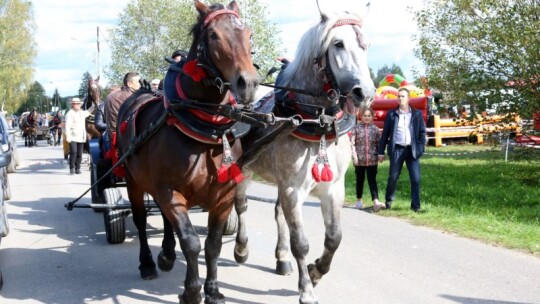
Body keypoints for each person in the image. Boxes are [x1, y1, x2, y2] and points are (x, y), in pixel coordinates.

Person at [378, 88, 426, 212]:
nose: (400, 98)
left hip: (412, 150)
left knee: (415, 178)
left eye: (403, 96)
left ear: (408, 98)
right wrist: (380, 152)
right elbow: (385, 135)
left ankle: (415, 206)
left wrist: (420, 148)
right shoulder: (392, 114)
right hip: (397, 150)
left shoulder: (417, 114)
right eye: (399, 96)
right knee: (393, 177)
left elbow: (422, 133)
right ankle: (388, 201)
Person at [350, 107, 386, 211]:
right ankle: (359, 200)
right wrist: (354, 156)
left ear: (372, 117)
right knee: (359, 180)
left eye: (369, 116)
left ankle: (376, 201)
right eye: (364, 116)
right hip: (359, 160)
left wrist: (380, 154)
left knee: (372, 180)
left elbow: (379, 143)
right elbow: (352, 143)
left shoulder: (375, 129)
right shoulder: (356, 128)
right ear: (360, 116)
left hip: (372, 160)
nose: (366, 118)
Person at [104, 72, 141, 138]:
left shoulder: (111, 96)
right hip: (124, 137)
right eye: (138, 82)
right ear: (129, 84)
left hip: (112, 135)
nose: (140, 84)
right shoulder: (131, 97)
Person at [65, 98, 90, 175]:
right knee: (73, 152)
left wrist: (94, 105)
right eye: (76, 104)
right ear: (73, 105)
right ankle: (72, 168)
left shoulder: (82, 113)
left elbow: (88, 112)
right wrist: (68, 136)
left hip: (81, 137)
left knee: (79, 154)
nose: (78, 105)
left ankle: (77, 168)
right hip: (73, 136)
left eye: (79, 104)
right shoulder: (69, 114)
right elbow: (67, 126)